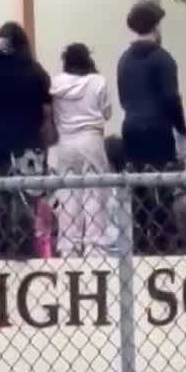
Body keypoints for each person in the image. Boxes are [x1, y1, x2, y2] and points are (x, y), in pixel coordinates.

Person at [0, 22, 52, 258]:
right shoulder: (36, 71)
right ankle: (25, 248)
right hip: (29, 147)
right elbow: (47, 109)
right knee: (26, 201)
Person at [117, 0, 186, 254]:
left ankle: (141, 238)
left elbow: (123, 96)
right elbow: (171, 98)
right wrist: (181, 128)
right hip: (157, 128)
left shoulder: (124, 59)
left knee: (139, 186)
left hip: (132, 127)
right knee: (162, 184)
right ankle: (162, 239)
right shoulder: (162, 58)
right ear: (156, 26)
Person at [48, 43, 113, 257]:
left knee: (68, 195)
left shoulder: (56, 84)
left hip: (65, 142)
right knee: (94, 194)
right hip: (91, 140)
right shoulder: (97, 82)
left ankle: (69, 247)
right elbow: (107, 112)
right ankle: (95, 247)